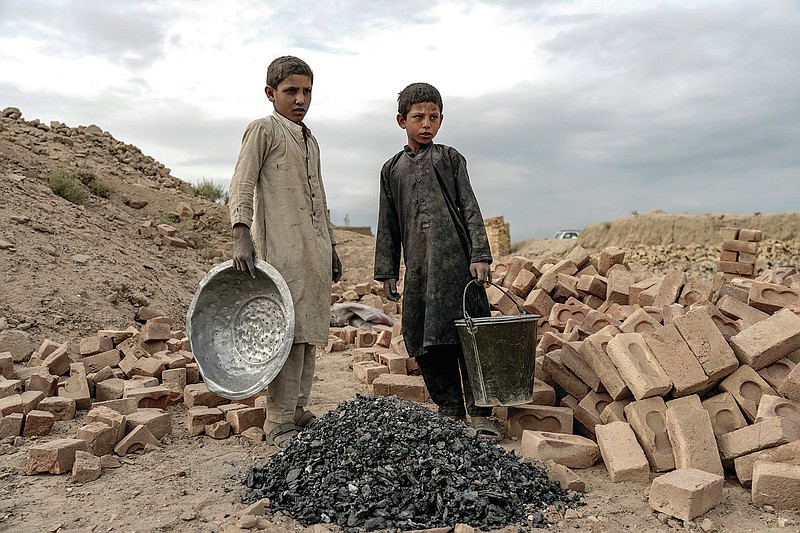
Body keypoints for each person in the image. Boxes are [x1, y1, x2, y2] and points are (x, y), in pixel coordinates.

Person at [373, 82, 501, 439]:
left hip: (459, 266)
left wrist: (480, 255)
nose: (426, 124)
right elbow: (388, 224)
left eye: (434, 117)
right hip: (418, 270)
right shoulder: (391, 169)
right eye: (418, 117)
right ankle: (449, 407)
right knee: (425, 339)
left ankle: (480, 411)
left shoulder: (450, 158)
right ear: (402, 120)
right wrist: (387, 271)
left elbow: (471, 209)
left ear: (441, 119)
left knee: (469, 337)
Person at [228, 55, 341, 449]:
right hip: (281, 249)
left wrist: (332, 246)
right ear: (270, 93)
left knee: (310, 332)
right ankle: (277, 419)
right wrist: (242, 233)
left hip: (315, 250)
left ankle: (298, 408)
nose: (300, 99)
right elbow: (241, 182)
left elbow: (320, 198)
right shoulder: (264, 129)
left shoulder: (310, 139)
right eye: (291, 90)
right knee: (287, 333)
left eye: (307, 91)